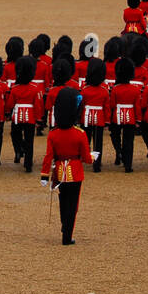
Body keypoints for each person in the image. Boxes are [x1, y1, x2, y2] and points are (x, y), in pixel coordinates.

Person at [40, 89, 93, 246]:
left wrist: (44, 175)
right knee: (73, 204)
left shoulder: (53, 134)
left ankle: (65, 228)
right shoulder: (80, 134)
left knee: (63, 202)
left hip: (59, 171)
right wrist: (93, 157)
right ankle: (67, 235)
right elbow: (86, 159)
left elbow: (48, 156)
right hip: (75, 172)